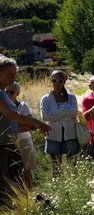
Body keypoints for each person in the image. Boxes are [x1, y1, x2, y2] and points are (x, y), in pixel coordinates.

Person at [0, 55, 50, 201]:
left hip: (10, 143)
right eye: (9, 74)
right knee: (4, 184)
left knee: (17, 180)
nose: (13, 78)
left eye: (15, 75)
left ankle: (20, 213)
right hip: (1, 145)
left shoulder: (3, 93)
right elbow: (10, 115)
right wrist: (36, 122)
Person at [40, 70, 79, 176]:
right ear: (50, 81)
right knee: (56, 166)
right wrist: (66, 114)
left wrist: (54, 114)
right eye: (54, 80)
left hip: (70, 133)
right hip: (53, 134)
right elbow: (45, 117)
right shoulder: (45, 99)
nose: (57, 83)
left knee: (73, 165)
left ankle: (74, 187)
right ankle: (58, 188)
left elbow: (74, 112)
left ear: (65, 82)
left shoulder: (71, 97)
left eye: (60, 81)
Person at [5, 82, 37, 189]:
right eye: (6, 91)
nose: (9, 94)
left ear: (18, 93)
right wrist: (22, 125)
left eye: (12, 92)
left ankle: (30, 190)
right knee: (10, 169)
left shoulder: (23, 106)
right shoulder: (3, 106)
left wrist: (11, 129)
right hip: (8, 142)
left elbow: (32, 125)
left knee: (27, 168)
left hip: (23, 139)